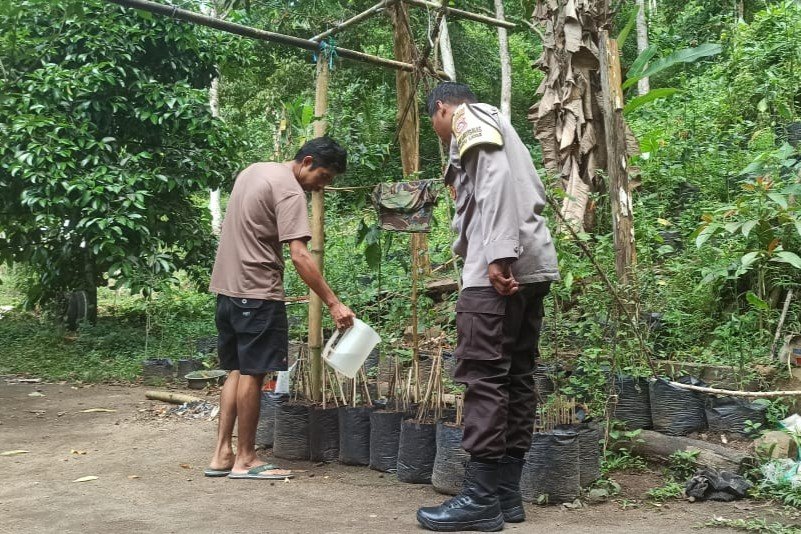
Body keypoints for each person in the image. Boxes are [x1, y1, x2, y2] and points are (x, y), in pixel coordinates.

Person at [417, 82, 560, 531]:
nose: (439, 131)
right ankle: (504, 495)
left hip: (497, 272)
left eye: (433, 122)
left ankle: (480, 499)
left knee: (483, 378)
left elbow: (495, 187)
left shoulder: (468, 120)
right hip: (533, 266)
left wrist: (498, 254)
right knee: (516, 377)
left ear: (441, 107)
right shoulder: (504, 126)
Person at [204, 137, 356, 480]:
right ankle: (245, 459)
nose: (323, 186)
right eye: (324, 177)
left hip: (227, 291)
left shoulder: (255, 170)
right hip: (257, 293)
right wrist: (334, 302)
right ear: (307, 162)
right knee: (254, 376)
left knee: (237, 371)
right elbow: (300, 255)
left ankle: (221, 454)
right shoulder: (289, 190)